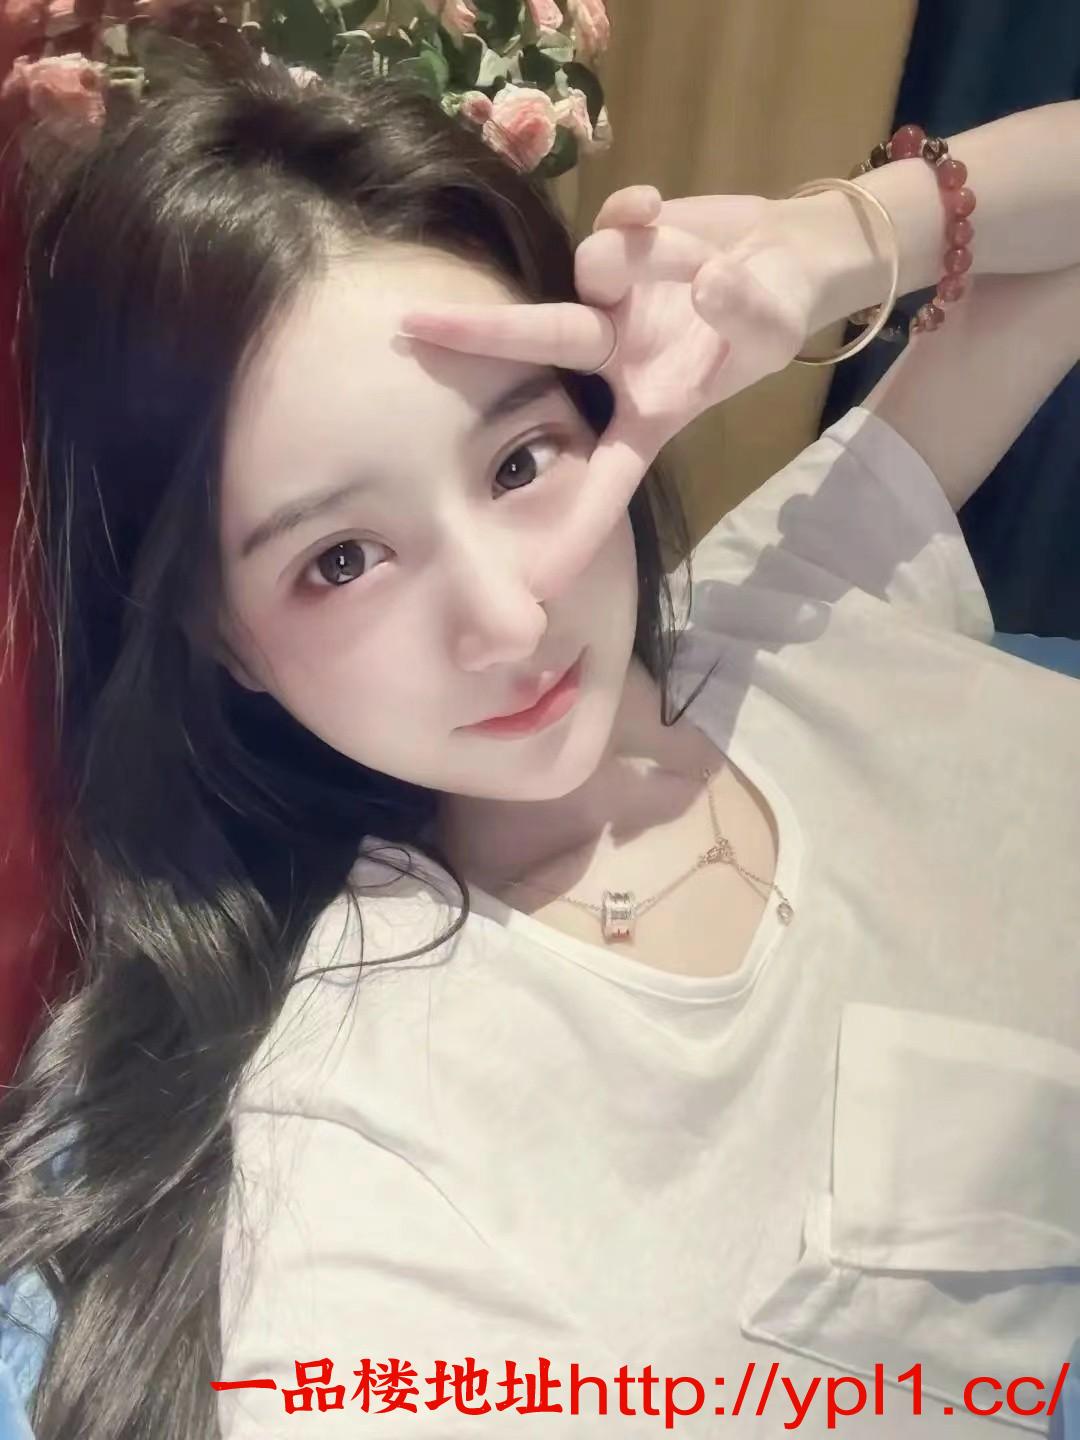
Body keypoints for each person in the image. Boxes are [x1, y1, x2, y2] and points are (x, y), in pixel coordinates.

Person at [0, 46, 1078, 1440]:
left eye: (518, 462)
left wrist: (829, 246)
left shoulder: (794, 598)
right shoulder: (369, 1116)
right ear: (224, 644)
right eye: (342, 560)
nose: (508, 617)